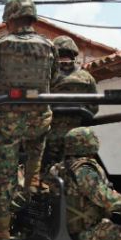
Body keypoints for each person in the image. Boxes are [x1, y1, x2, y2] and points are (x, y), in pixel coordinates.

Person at [0, 0, 59, 240]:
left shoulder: (0, 46)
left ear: (10, 19)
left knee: (4, 174)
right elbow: (52, 81)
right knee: (34, 170)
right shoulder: (48, 46)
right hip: (40, 120)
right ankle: (33, 190)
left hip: (8, 122)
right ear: (31, 18)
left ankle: (3, 229)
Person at [44, 35, 99, 168]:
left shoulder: (46, 75)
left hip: (49, 135)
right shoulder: (86, 77)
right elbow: (94, 107)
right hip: (78, 137)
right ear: (73, 53)